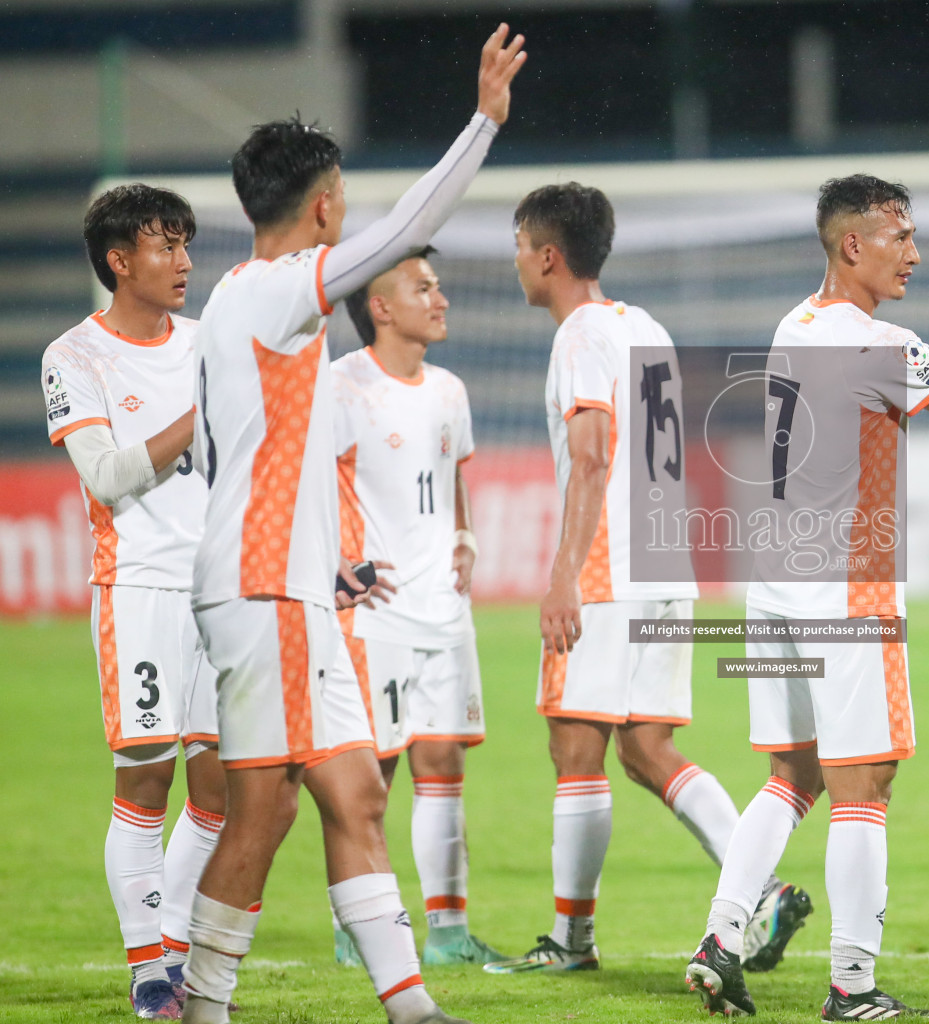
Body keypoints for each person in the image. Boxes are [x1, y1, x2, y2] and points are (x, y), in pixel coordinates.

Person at [180, 26, 527, 1024]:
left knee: (354, 794)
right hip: (262, 588)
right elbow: (405, 228)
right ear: (324, 205)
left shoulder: (247, 304)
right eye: (344, 205)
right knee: (267, 807)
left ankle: (410, 1004)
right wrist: (482, 126)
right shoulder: (277, 289)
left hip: (295, 589)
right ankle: (201, 1005)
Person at [685, 174, 929, 1020]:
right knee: (865, 787)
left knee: (791, 775)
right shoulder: (875, 343)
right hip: (847, 591)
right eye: (900, 235)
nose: (915, 250)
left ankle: (722, 938)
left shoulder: (803, 325)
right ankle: (852, 987)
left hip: (778, 584)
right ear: (851, 244)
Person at [487, 182, 809, 975]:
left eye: (523, 245)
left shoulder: (580, 337)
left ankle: (570, 941)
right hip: (664, 560)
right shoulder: (646, 326)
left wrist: (563, 575)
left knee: (575, 746)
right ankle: (758, 891)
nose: (518, 261)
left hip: (607, 566)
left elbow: (592, 456)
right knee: (646, 747)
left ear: (550, 255)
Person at [41, 184, 228, 1020]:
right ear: (121, 261)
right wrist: (201, 414)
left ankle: (175, 941)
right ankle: (149, 967)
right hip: (141, 589)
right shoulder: (74, 357)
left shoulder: (208, 342)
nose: (185, 261)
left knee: (226, 791)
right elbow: (109, 476)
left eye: (186, 244)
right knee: (147, 781)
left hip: (223, 592)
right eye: (166, 246)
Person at [329, 246, 504, 966]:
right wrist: (336, 563)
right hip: (377, 612)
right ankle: (355, 924)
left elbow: (454, 476)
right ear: (380, 307)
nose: (441, 299)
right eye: (423, 287)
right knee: (370, 776)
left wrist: (463, 534)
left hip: (444, 605)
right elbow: (311, 481)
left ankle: (449, 932)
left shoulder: (450, 390)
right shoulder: (340, 386)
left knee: (443, 761)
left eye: (439, 286)